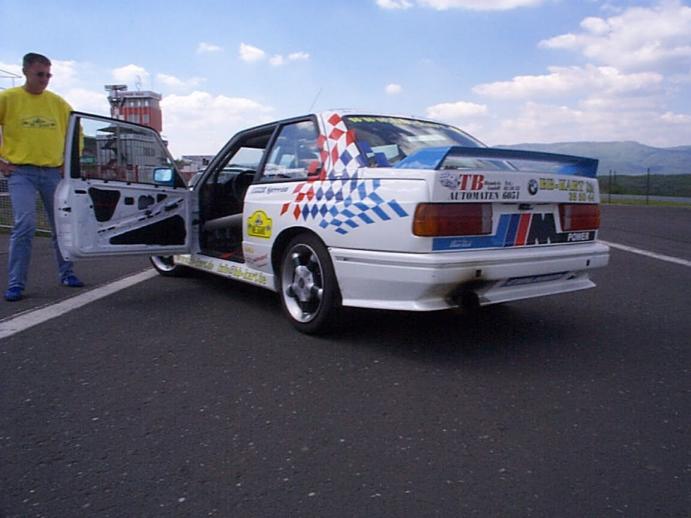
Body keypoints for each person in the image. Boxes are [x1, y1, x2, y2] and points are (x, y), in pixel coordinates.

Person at [0, 52, 83, 302]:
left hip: (52, 172)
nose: (44, 79)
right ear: (25, 72)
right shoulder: (8, 98)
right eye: (40, 74)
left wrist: (69, 163)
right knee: (25, 224)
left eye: (48, 75)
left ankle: (67, 273)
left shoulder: (58, 103)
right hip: (21, 171)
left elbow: (76, 132)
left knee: (61, 226)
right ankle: (16, 283)